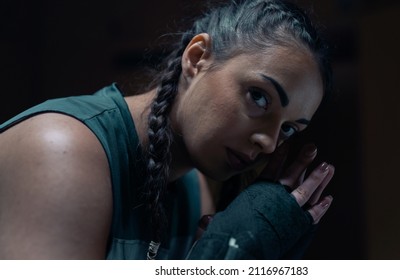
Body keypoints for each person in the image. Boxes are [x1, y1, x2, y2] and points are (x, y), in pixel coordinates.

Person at [0, 0, 334, 259]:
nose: (268, 141)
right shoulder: (59, 150)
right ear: (197, 57)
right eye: (259, 97)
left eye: (288, 129)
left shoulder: (193, 190)